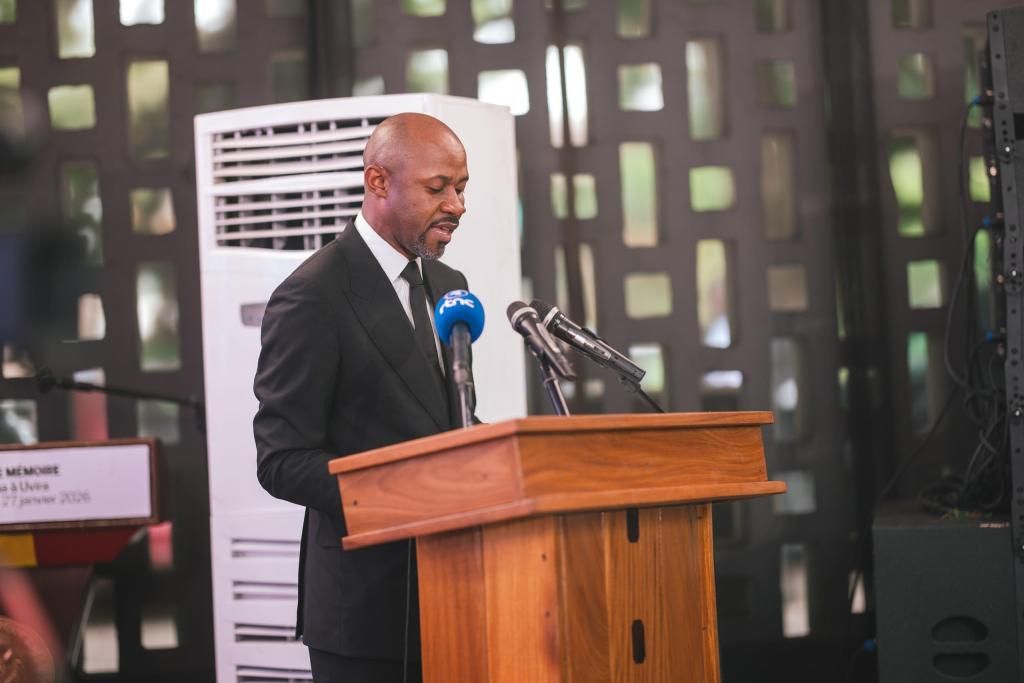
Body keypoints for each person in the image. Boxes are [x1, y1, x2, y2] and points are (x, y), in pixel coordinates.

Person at [253, 112, 472, 683]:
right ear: (378, 182)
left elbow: (445, 421)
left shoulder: (449, 286)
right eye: (438, 188)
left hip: (460, 593)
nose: (456, 205)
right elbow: (282, 460)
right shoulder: (312, 294)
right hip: (366, 616)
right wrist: (407, 492)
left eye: (461, 188)